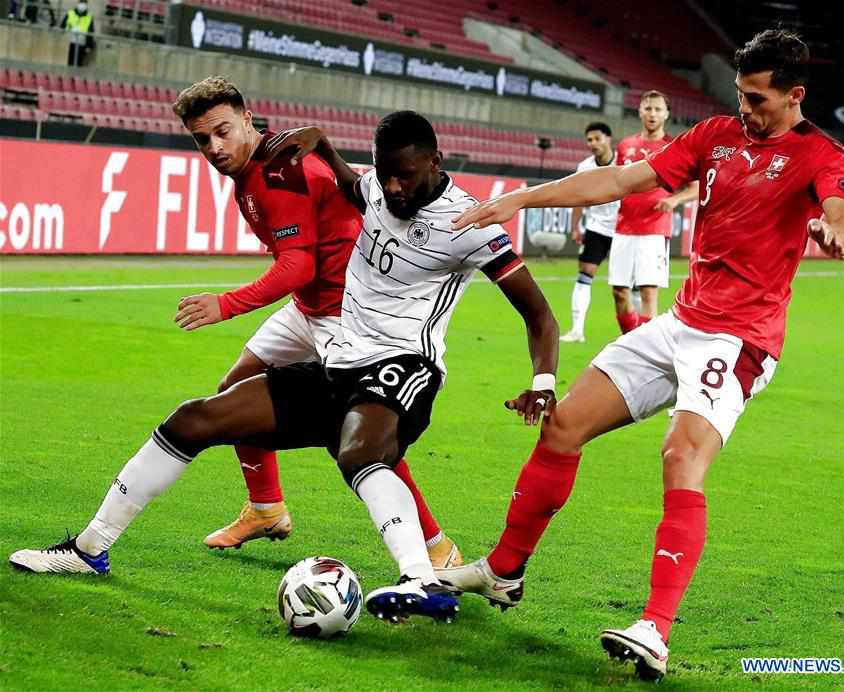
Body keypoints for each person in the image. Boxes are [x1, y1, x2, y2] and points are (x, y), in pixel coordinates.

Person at [10, 110, 560, 626]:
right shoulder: (375, 186)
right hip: (338, 364)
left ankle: (419, 579)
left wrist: (542, 381)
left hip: (404, 366)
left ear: (435, 164)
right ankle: (88, 550)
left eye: (407, 177)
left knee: (360, 452)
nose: (394, 188)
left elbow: (538, 314)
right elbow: (353, 183)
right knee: (192, 420)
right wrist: (321, 139)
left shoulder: (472, 225)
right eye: (387, 174)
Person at [437, 29, 844, 680]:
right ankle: (502, 571)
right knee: (562, 426)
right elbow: (618, 179)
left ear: (793, 95)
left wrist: (836, 231)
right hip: (679, 322)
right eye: (739, 95)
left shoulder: (819, 156)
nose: (744, 109)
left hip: (739, 339)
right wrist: (520, 198)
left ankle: (654, 630)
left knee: (680, 454)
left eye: (756, 98)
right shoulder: (715, 136)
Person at [167, 77, 460, 568]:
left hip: (346, 314)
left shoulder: (281, 170)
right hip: (310, 306)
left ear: (247, 118)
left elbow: (296, 265)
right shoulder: (254, 169)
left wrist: (227, 303)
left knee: (363, 439)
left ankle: (436, 548)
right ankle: (265, 508)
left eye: (222, 131)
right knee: (234, 388)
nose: (214, 148)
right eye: (202, 140)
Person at [609, 91, 697, 334]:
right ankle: (630, 343)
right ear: (639, 111)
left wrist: (675, 199)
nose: (652, 114)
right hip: (624, 227)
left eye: (658, 109)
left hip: (654, 230)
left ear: (667, 114)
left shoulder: (674, 147)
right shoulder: (626, 146)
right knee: (619, 292)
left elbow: (696, 187)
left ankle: (641, 350)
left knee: (648, 292)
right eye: (648, 108)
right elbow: (616, 181)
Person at [559, 122, 619, 344]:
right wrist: (575, 227)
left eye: (597, 138)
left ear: (608, 139)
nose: (593, 144)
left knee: (627, 285)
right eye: (589, 140)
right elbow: (578, 198)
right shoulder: (585, 167)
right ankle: (577, 330)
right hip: (597, 227)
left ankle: (634, 332)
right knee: (585, 274)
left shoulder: (625, 160)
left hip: (624, 229)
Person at [60, 1, 94, 67]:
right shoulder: (70, 13)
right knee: (68, 63)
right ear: (78, 3)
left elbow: (91, 32)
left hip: (81, 43)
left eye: (84, 3)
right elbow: (62, 26)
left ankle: (75, 76)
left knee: (78, 64)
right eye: (81, 2)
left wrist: (89, 46)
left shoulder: (89, 17)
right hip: (68, 42)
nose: (82, 5)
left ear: (86, 5)